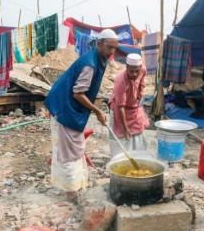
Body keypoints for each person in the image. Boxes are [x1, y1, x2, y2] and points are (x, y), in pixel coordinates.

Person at [44, 29, 118, 203]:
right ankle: (71, 192)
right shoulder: (90, 63)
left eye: (115, 48)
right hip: (65, 107)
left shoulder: (99, 58)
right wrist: (98, 111)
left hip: (71, 108)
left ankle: (77, 184)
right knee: (67, 151)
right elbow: (78, 93)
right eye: (109, 47)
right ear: (99, 44)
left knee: (76, 147)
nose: (112, 52)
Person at [108, 53, 149, 157]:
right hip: (121, 109)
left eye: (137, 71)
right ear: (126, 67)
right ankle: (119, 159)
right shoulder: (120, 81)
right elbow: (120, 106)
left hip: (134, 105)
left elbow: (142, 79)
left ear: (140, 67)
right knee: (120, 134)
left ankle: (138, 155)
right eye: (131, 71)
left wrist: (140, 89)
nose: (135, 74)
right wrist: (125, 128)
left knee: (138, 129)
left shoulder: (143, 70)